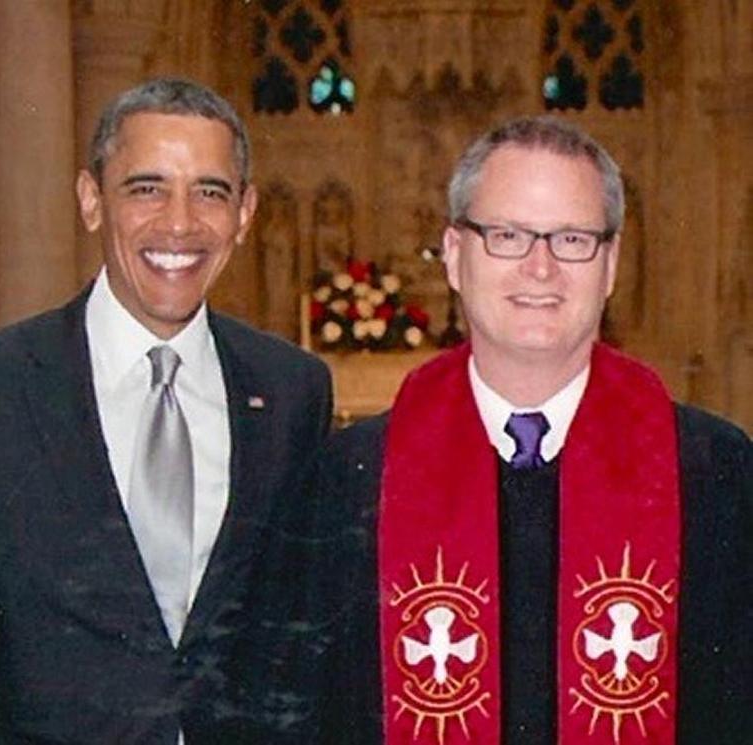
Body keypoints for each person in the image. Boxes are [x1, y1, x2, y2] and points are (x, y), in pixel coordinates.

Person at [297, 116, 751, 744]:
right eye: (507, 235)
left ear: (611, 264)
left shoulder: (715, 471)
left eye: (572, 239)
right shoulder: (351, 479)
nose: (541, 268)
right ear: (456, 256)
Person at [0, 77, 333, 743]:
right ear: (92, 200)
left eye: (211, 191)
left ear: (246, 212)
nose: (180, 222)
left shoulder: (292, 391)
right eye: (147, 188)